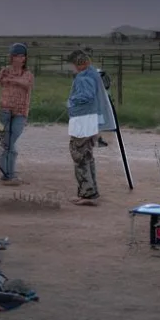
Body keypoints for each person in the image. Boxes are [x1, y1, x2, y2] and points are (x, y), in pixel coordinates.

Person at [65, 50, 105, 206]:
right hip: (90, 118)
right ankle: (90, 190)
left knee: (79, 154)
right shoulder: (93, 74)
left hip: (82, 119)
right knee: (87, 155)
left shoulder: (83, 77)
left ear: (80, 64)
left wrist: (72, 100)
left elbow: (87, 95)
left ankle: (87, 193)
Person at [0, 42, 34, 186]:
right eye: (16, 56)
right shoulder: (5, 70)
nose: (19, 59)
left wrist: (10, 80)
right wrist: (1, 75)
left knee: (11, 139)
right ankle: (8, 174)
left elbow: (26, 84)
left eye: (22, 56)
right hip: (5, 110)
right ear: (12, 57)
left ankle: (8, 173)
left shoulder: (27, 74)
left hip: (20, 112)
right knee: (7, 142)